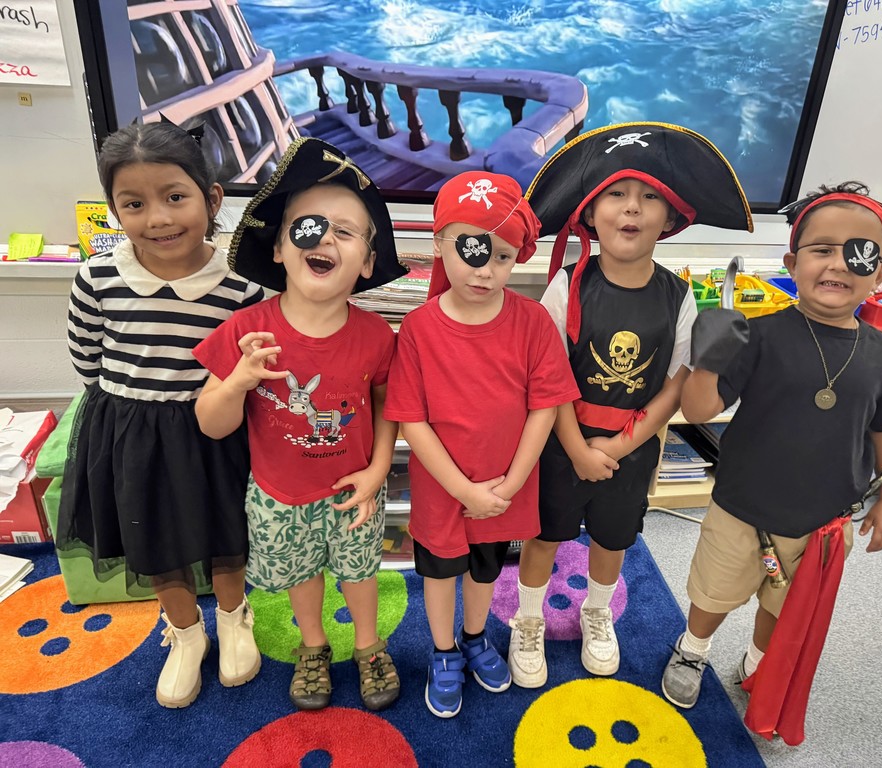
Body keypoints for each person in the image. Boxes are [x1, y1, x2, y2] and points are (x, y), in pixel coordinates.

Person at [511, 123, 753, 688]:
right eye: (617, 194)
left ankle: (597, 612)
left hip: (633, 447)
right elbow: (546, 380)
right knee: (545, 535)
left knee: (613, 536)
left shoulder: (679, 294)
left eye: (649, 198)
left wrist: (619, 446)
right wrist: (575, 447)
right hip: (560, 442)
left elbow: (675, 383)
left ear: (670, 220)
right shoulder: (566, 287)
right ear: (590, 213)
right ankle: (528, 619)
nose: (632, 209)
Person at [662, 181, 882, 745]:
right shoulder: (762, 335)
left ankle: (757, 662)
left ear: (881, 273)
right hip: (743, 507)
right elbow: (699, 408)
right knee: (714, 594)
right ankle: (693, 649)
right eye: (821, 249)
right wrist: (707, 357)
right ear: (792, 262)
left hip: (823, 520)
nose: (838, 264)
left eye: (859, 253)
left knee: (785, 603)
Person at [193, 137, 407, 712]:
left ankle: (367, 644)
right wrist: (238, 380)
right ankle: (314, 646)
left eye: (347, 230)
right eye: (310, 227)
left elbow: (388, 402)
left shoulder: (376, 336)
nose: (327, 238)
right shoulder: (246, 330)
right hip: (277, 494)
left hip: (353, 488)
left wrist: (380, 467)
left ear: (365, 261)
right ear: (282, 247)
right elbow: (211, 424)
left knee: (360, 573)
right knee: (302, 574)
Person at [58, 120, 265, 708]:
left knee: (226, 531)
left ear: (213, 198)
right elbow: (86, 357)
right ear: (114, 210)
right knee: (153, 537)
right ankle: (184, 633)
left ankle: (233, 618)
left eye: (176, 196)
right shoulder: (99, 277)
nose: (159, 218)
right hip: (132, 429)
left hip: (213, 430)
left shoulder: (240, 285)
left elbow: (246, 362)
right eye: (134, 203)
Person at [384, 171, 579, 718]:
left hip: (503, 489)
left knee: (485, 572)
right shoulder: (419, 329)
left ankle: (475, 638)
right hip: (444, 490)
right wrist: (462, 488)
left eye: (500, 256)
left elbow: (545, 407)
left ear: (519, 256)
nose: (483, 269)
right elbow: (410, 419)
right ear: (440, 245)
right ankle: (444, 652)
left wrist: (510, 485)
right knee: (441, 571)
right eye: (470, 251)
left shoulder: (533, 322)